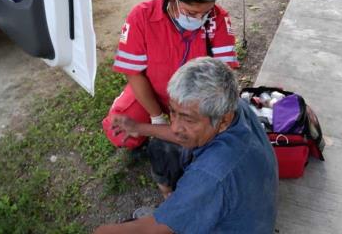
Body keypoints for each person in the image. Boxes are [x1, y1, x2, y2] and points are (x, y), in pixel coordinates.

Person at [94, 57, 278, 234]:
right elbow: (182, 132)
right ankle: (176, 205)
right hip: (253, 212)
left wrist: (99, 231)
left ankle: (176, 207)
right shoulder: (231, 105)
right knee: (161, 145)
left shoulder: (210, 175)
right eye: (173, 112)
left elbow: (155, 229)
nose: (174, 126)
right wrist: (139, 128)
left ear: (223, 121)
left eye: (188, 119)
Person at [102, 0, 239, 150]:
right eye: (192, 13)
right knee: (119, 131)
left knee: (207, 139)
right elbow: (134, 73)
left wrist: (193, 118)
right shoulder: (142, 17)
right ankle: (158, 129)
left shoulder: (218, 20)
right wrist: (157, 118)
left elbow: (223, 79)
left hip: (195, 102)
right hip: (153, 93)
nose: (200, 19)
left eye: (206, 12)